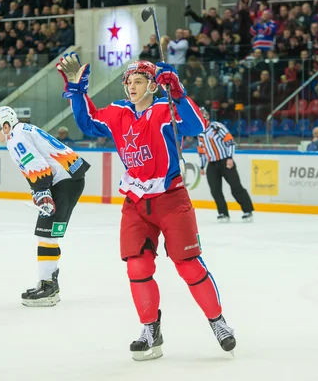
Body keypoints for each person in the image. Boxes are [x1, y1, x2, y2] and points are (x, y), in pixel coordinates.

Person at [56, 53, 236, 360]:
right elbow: (87, 122)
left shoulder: (165, 110)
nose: (132, 87)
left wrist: (178, 93)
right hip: (136, 202)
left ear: (153, 84)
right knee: (137, 266)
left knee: (188, 265)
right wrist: (77, 90)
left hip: (171, 199)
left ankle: (218, 322)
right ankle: (150, 328)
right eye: (129, 82)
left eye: (139, 81)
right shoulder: (117, 112)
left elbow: (197, 126)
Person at [0, 106, 90, 306]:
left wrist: (42, 192)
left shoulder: (15, 136)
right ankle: (49, 283)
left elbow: (36, 164)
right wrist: (40, 190)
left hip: (65, 182)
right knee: (47, 235)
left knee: (46, 235)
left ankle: (49, 287)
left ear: (6, 125)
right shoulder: (23, 130)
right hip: (69, 179)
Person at [196, 107, 254, 222]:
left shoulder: (217, 127)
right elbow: (201, 151)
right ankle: (223, 213)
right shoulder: (199, 133)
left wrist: (229, 158)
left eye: (203, 115)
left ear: (207, 116)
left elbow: (230, 142)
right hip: (212, 164)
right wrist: (202, 166)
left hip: (225, 161)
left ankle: (248, 210)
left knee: (236, 186)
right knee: (215, 190)